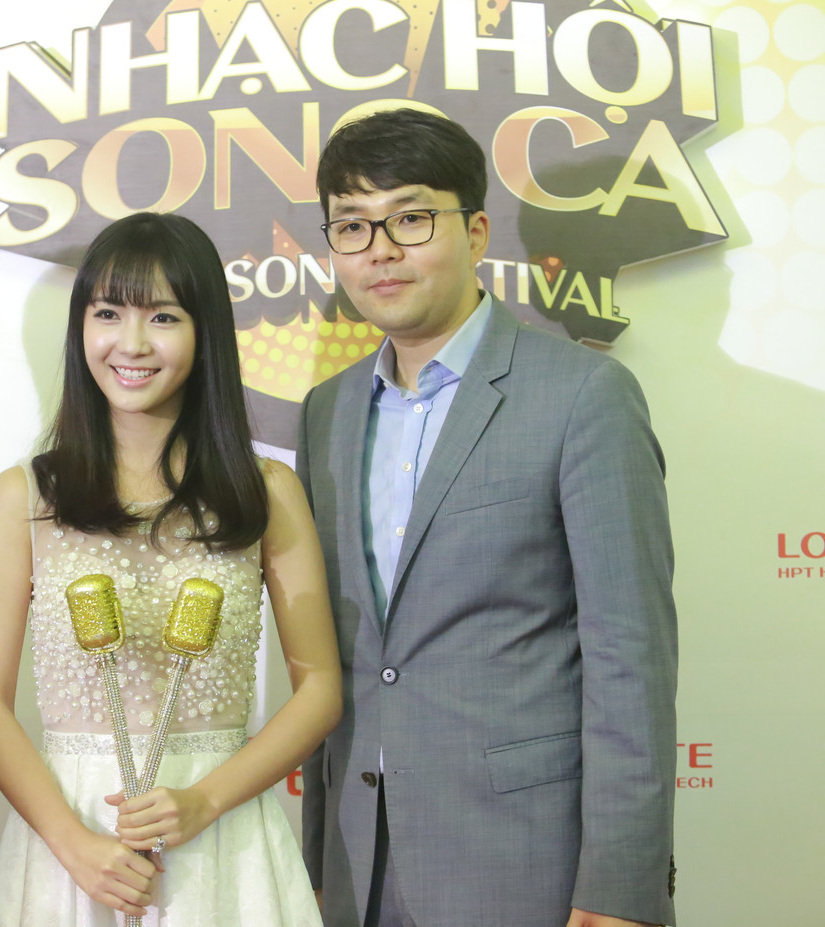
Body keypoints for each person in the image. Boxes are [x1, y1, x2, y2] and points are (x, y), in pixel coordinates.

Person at [297, 108, 678, 927]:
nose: (380, 250)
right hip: (358, 863)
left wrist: (620, 888)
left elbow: (630, 658)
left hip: (525, 862)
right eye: (353, 226)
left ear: (475, 233)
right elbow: (339, 656)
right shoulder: (326, 412)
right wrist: (317, 861)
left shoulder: (583, 395)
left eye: (409, 218)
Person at [0, 212, 342, 925]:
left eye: (163, 317)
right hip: (71, 837)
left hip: (223, 836)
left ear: (205, 333)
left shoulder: (267, 491)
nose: (131, 343)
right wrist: (74, 844)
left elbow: (319, 686)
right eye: (108, 313)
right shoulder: (25, 496)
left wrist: (206, 798)